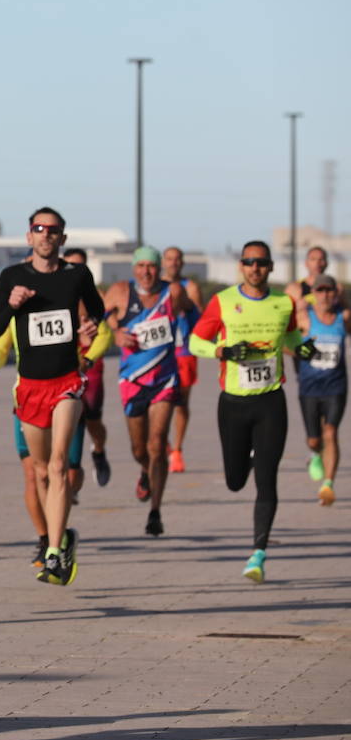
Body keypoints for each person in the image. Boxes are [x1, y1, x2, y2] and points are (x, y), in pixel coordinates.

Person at [0, 207, 104, 586]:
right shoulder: (13, 276)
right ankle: (63, 537)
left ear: (63, 239)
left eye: (53, 230)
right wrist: (12, 305)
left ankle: (53, 554)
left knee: (57, 466)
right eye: (39, 228)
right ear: (29, 236)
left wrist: (90, 323)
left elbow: (96, 308)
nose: (46, 235)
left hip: (66, 381)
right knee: (38, 471)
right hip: (30, 387)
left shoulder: (76, 275)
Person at [189, 240, 315, 583]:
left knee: (267, 479)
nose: (255, 268)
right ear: (241, 267)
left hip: (271, 401)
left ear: (271, 267)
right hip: (233, 403)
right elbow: (194, 342)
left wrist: (305, 349)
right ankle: (251, 456)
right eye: (249, 262)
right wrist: (223, 350)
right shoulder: (224, 301)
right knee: (234, 481)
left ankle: (258, 553)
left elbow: (289, 340)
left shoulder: (282, 303)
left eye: (261, 262)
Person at [104, 246, 194, 537]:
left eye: (152, 266)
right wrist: (115, 333)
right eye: (141, 266)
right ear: (133, 268)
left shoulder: (174, 293)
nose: (146, 271)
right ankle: (145, 471)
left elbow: (196, 316)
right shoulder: (119, 291)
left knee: (157, 444)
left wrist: (200, 341)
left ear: (160, 269)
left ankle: (155, 511)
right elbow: (100, 323)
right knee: (139, 449)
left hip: (165, 380)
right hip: (132, 381)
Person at [293, 273, 346, 506]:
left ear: (336, 294)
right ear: (313, 294)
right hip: (309, 388)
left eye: (329, 291)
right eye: (320, 290)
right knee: (314, 440)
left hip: (336, 386)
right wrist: (298, 351)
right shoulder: (304, 319)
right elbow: (285, 342)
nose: (325, 295)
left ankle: (328, 484)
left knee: (331, 433)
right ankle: (314, 454)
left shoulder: (344, 318)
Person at [63, 248, 112, 488]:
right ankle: (69, 472)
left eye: (79, 266)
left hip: (90, 362)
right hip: (63, 362)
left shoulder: (94, 297)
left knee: (91, 415)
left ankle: (99, 451)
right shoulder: (54, 292)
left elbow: (106, 333)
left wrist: (88, 357)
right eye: (69, 265)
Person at [161, 246, 204, 473]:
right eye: (169, 258)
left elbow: (200, 316)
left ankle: (177, 449)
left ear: (182, 262)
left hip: (184, 350)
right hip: (160, 351)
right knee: (157, 401)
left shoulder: (191, 286)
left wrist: (185, 302)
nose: (173, 263)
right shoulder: (154, 286)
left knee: (181, 403)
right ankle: (164, 444)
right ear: (163, 261)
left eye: (177, 259)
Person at [287, 246, 344, 323]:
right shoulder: (295, 288)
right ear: (306, 263)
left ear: (326, 263)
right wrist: (298, 307)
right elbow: (285, 315)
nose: (318, 263)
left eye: (321, 259)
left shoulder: (337, 288)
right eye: (313, 259)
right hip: (304, 332)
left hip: (329, 332)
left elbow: (346, 314)